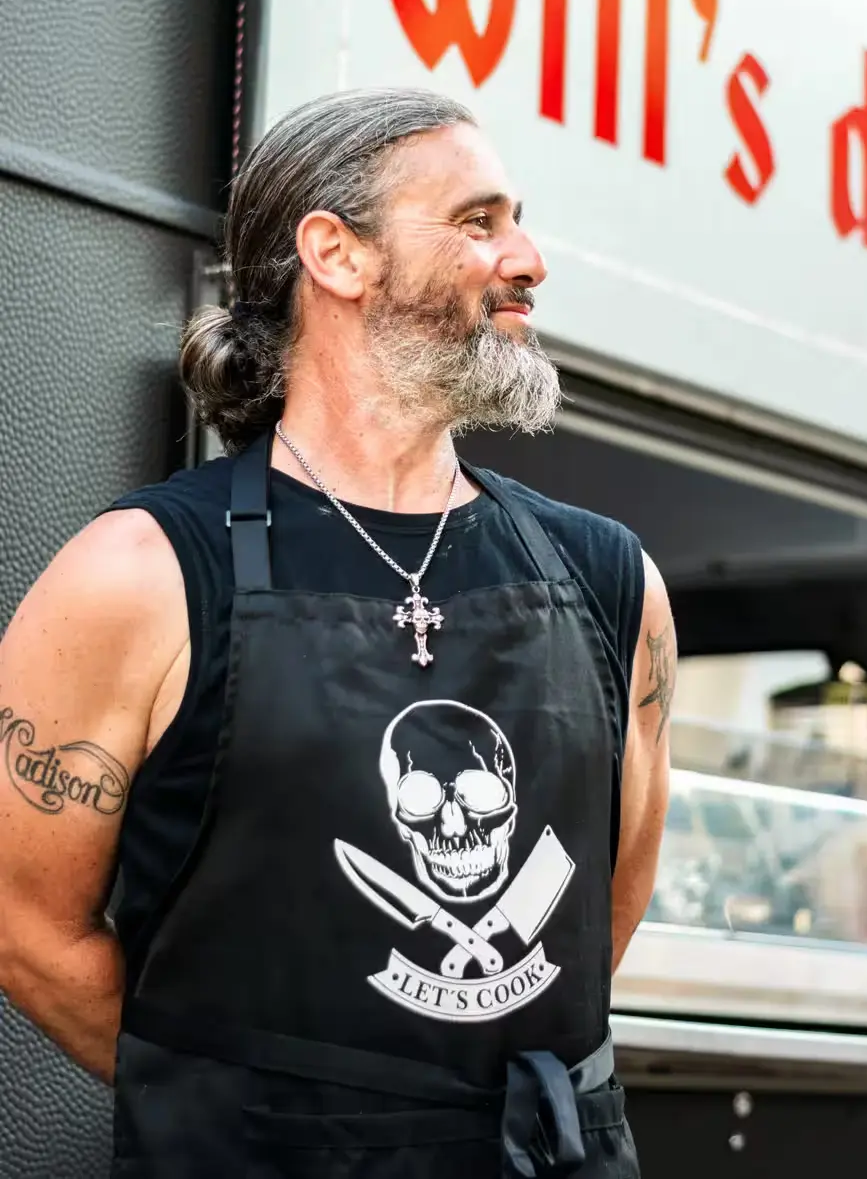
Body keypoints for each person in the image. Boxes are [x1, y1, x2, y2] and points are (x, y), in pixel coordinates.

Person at [0, 87, 674, 1177]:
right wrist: (240, 1115)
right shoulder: (141, 574)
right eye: (477, 220)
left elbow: (603, 909)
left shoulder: (608, 578)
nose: (529, 257)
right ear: (337, 254)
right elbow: (27, 927)